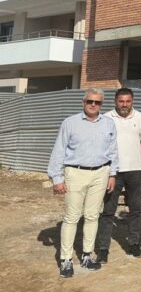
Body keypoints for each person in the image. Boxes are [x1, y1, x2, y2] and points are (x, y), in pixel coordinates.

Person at [47, 88, 118, 278]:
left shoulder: (109, 123)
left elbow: (113, 151)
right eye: (90, 101)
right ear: (83, 102)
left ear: (102, 104)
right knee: (71, 217)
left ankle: (87, 255)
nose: (93, 105)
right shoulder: (70, 123)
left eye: (97, 102)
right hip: (75, 173)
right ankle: (66, 259)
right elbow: (59, 150)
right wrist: (57, 178)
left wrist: (112, 174)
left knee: (92, 216)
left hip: (101, 173)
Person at [96, 88, 141, 263]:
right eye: (121, 101)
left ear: (132, 101)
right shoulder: (106, 118)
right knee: (108, 211)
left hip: (136, 170)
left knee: (135, 210)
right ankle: (103, 248)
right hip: (113, 172)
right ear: (115, 101)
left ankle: (133, 243)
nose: (124, 105)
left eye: (128, 101)